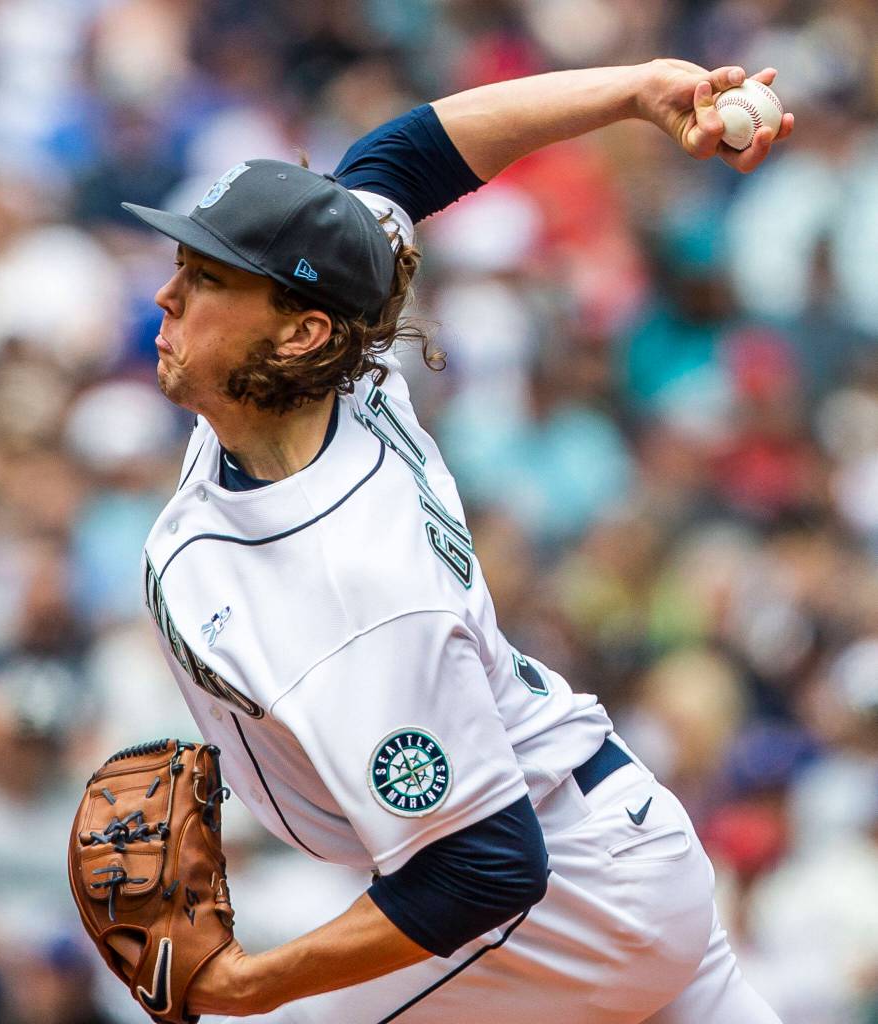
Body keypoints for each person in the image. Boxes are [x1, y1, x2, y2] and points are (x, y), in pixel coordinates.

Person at [124, 60, 793, 1023]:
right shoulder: (331, 370)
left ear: (300, 333)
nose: (166, 297)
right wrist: (637, 91)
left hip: (559, 906)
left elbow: (481, 871)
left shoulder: (356, 585)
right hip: (613, 849)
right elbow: (403, 160)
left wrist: (241, 986)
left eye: (207, 278)